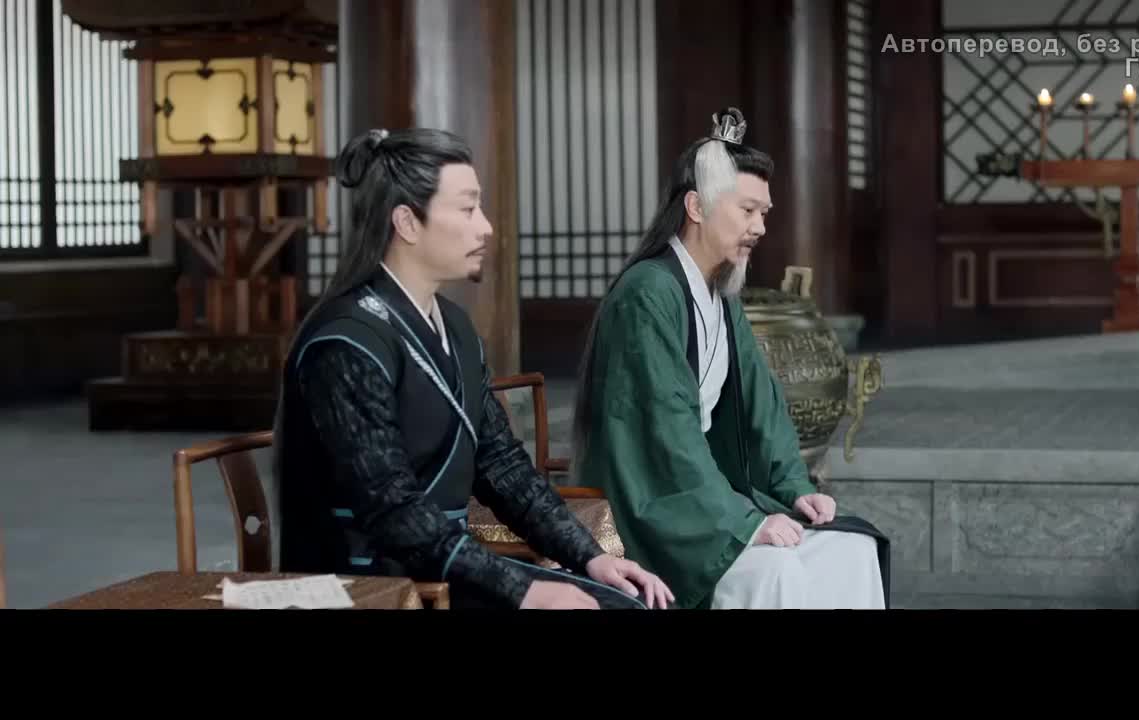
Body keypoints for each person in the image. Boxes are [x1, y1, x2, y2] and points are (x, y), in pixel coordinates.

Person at [273, 127, 674, 610]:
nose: (485, 227)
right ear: (407, 222)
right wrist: (525, 590)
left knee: (634, 600)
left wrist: (589, 557)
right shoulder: (345, 342)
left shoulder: (456, 328)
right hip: (368, 583)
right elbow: (392, 509)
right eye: (467, 209)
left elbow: (502, 465)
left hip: (439, 570)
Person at [571, 108, 891, 610]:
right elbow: (665, 432)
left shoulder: (720, 293)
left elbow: (760, 404)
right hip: (652, 506)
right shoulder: (647, 293)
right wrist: (742, 523)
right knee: (775, 568)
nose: (759, 227)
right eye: (747, 210)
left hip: (703, 499)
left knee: (851, 549)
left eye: (764, 213)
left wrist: (793, 487)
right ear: (696, 207)